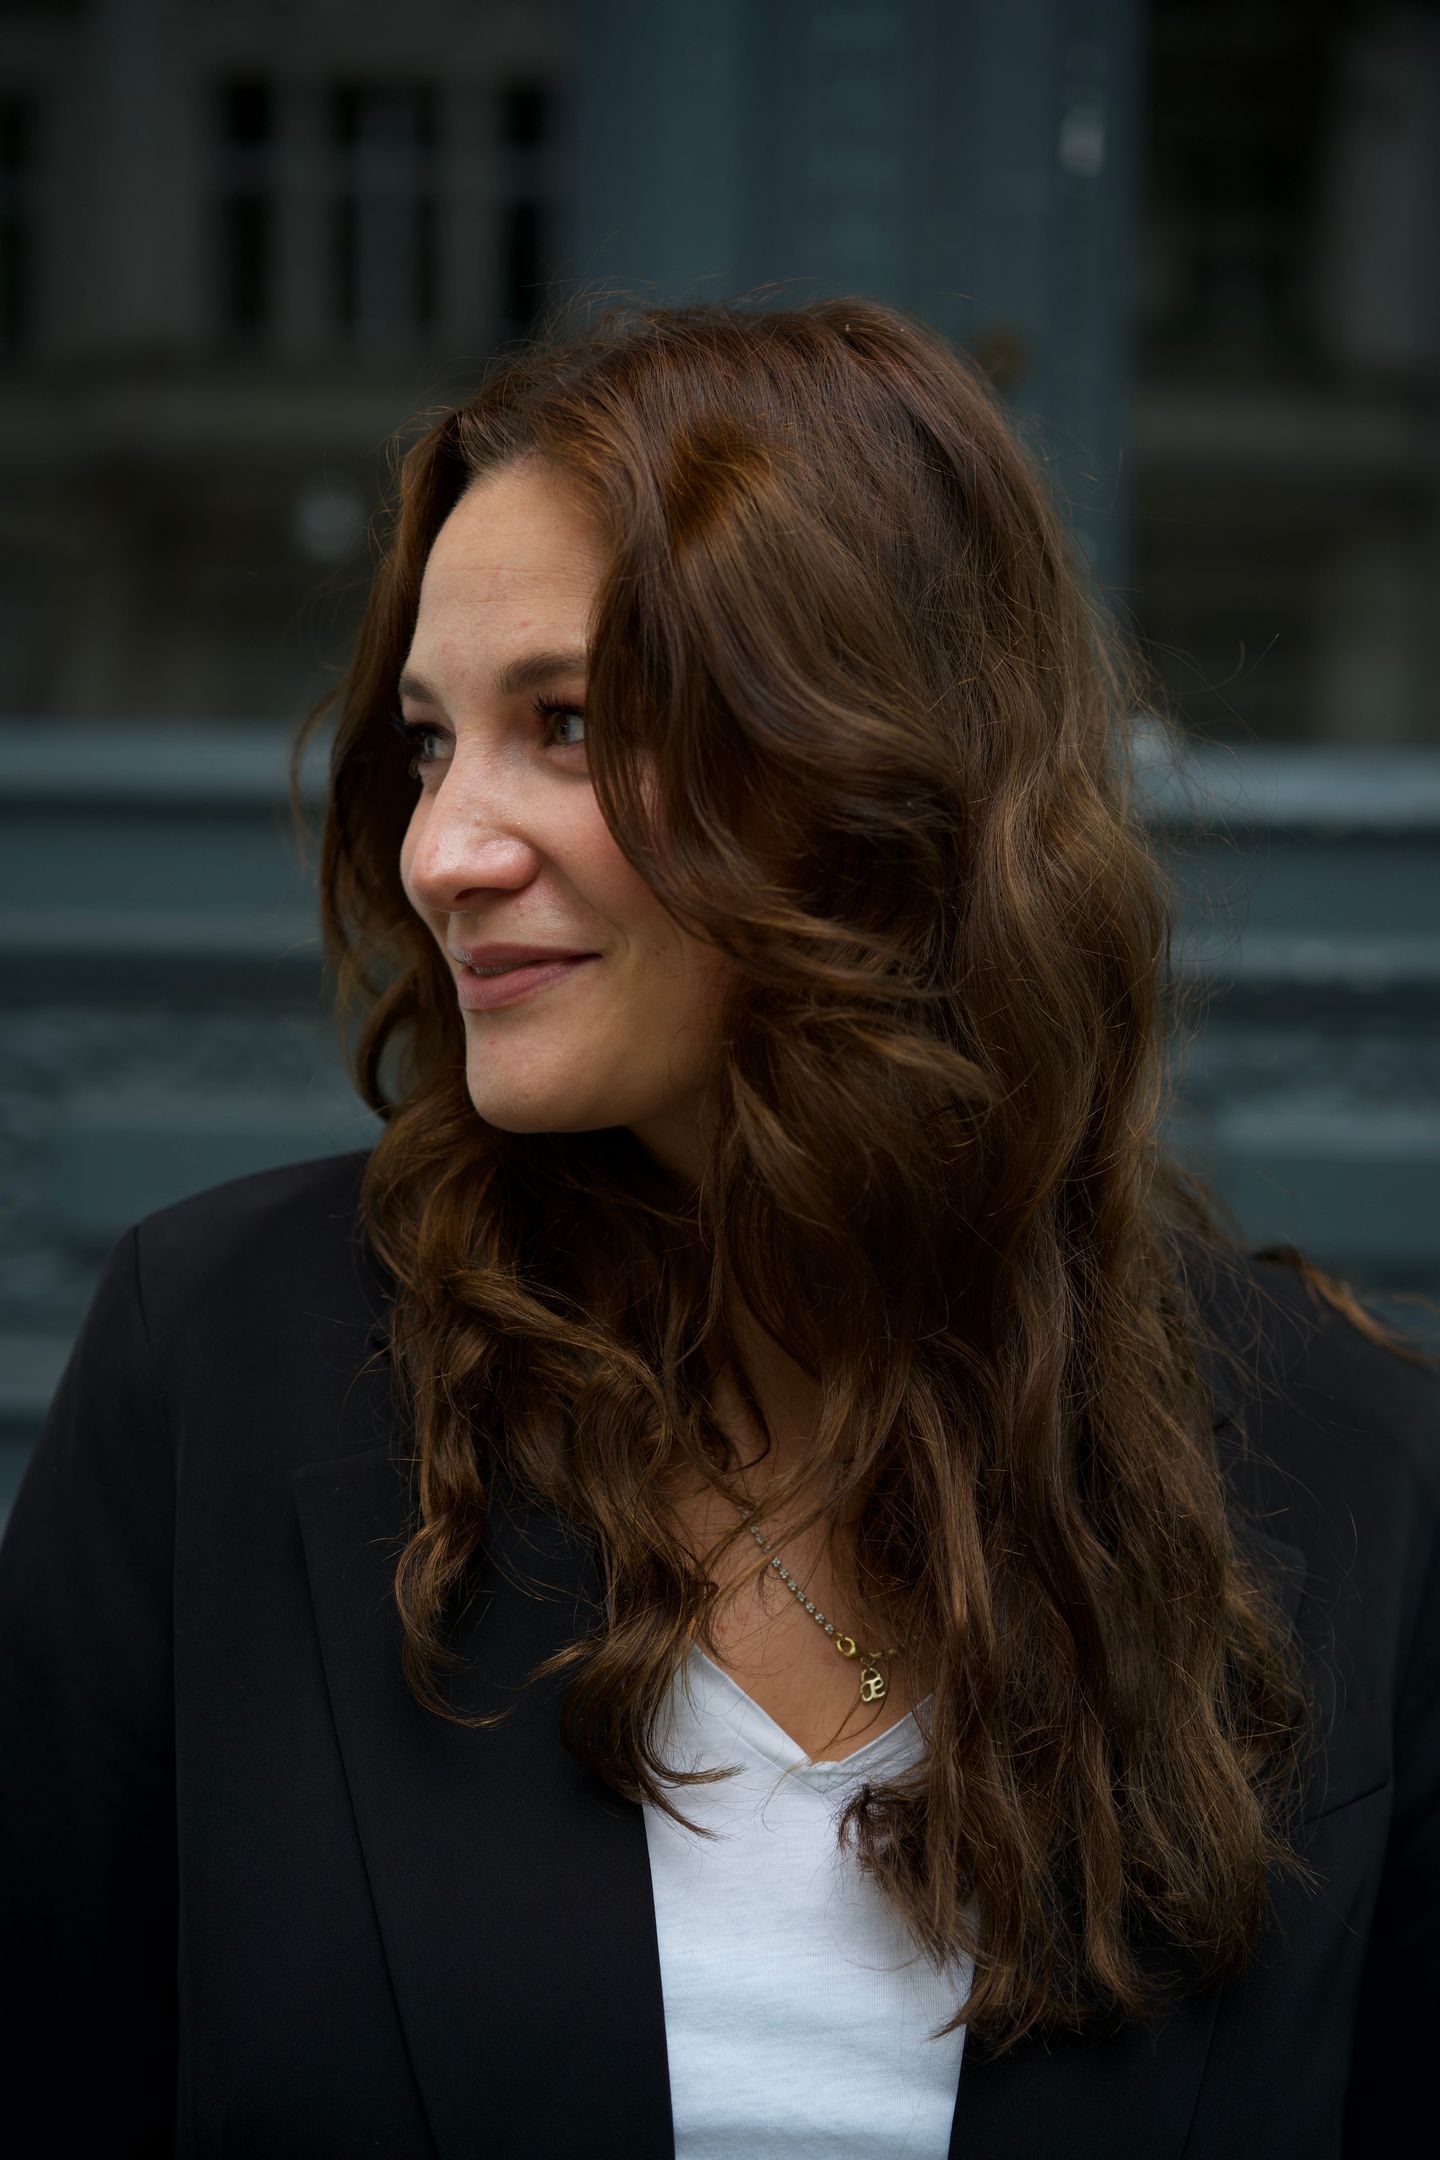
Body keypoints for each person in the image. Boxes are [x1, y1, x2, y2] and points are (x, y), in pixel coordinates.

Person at [2, 295, 1437, 2160]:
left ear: (874, 770)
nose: (443, 851)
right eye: (428, 744)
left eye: (569, 725)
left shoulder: (1347, 1474)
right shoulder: (227, 1366)